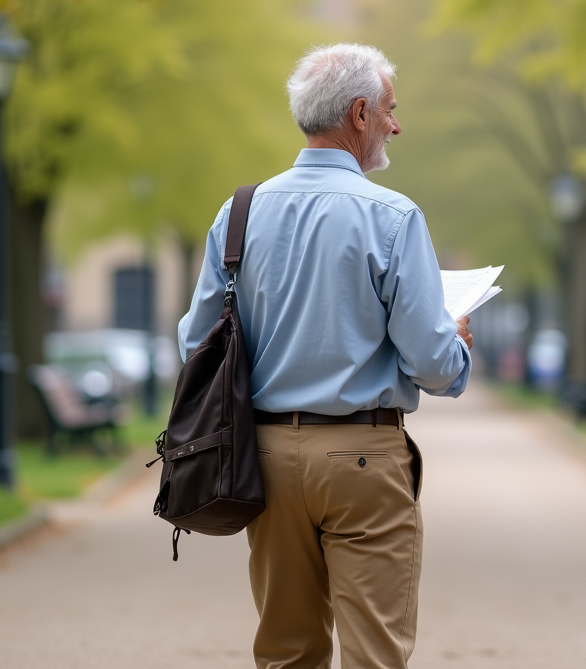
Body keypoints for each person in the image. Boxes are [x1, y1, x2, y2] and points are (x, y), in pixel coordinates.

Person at [178, 43, 473, 669]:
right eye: (390, 110)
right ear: (359, 114)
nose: (397, 124)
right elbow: (434, 364)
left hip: (264, 461)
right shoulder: (394, 218)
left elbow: (194, 345)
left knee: (287, 652)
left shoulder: (238, 214)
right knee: (375, 654)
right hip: (363, 461)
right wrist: (456, 343)